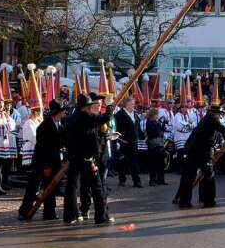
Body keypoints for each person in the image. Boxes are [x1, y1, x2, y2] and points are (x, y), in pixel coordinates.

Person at [63, 93, 115, 224]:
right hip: (87, 157)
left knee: (72, 186)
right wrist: (109, 106)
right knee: (97, 187)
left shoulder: (70, 118)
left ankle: (70, 215)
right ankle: (101, 217)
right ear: (87, 106)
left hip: (74, 157)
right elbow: (107, 117)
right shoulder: (87, 117)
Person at [176, 103, 225, 209]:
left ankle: (184, 202)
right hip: (202, 153)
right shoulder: (212, 118)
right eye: (220, 113)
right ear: (215, 113)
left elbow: (219, 134)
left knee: (189, 177)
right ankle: (209, 201)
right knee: (209, 176)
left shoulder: (207, 119)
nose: (221, 116)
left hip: (192, 152)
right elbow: (223, 130)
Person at [19, 100, 66, 221]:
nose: (64, 114)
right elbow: (43, 148)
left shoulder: (58, 125)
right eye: (62, 112)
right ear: (57, 113)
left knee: (50, 187)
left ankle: (49, 212)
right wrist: (46, 166)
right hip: (42, 162)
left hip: (52, 162)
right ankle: (24, 212)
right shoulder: (45, 127)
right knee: (33, 187)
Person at [114, 97, 142, 188]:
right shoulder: (119, 114)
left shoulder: (135, 114)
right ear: (126, 104)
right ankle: (122, 180)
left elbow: (137, 127)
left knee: (134, 161)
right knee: (123, 161)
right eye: (131, 104)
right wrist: (119, 139)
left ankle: (137, 181)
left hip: (133, 141)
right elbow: (117, 128)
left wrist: (141, 136)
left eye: (134, 104)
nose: (133, 106)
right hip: (124, 141)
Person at [144, 109, 167, 186]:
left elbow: (162, 131)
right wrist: (159, 126)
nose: (157, 116)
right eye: (156, 114)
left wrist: (163, 124)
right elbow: (155, 133)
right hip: (153, 145)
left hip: (159, 144)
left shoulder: (156, 122)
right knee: (153, 164)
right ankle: (152, 180)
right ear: (153, 115)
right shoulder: (149, 122)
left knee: (161, 163)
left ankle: (161, 179)